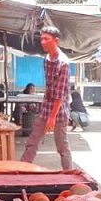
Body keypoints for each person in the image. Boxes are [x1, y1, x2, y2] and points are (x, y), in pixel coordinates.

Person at [21, 26, 73, 170]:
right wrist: (46, 113)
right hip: (46, 108)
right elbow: (50, 87)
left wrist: (52, 117)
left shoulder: (64, 63)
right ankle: (21, 170)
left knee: (62, 147)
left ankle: (69, 174)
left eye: (46, 39)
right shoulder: (46, 59)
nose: (43, 42)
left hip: (59, 112)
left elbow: (60, 93)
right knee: (32, 142)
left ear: (56, 40)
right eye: (42, 39)